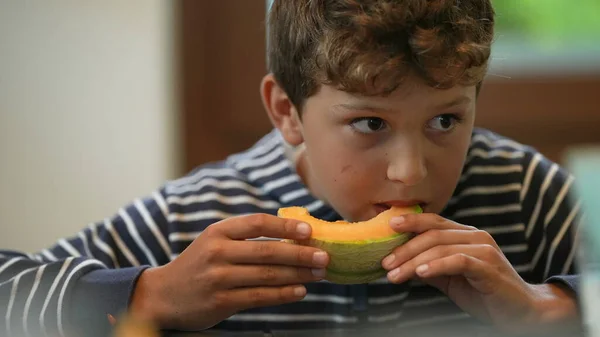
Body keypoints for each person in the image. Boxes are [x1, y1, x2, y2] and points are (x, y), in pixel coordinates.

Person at [0, 1, 583, 337]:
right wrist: (148, 294)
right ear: (288, 112)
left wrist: (547, 309)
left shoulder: (527, 196)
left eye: (446, 121)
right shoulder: (195, 220)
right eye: (370, 124)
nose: (409, 173)